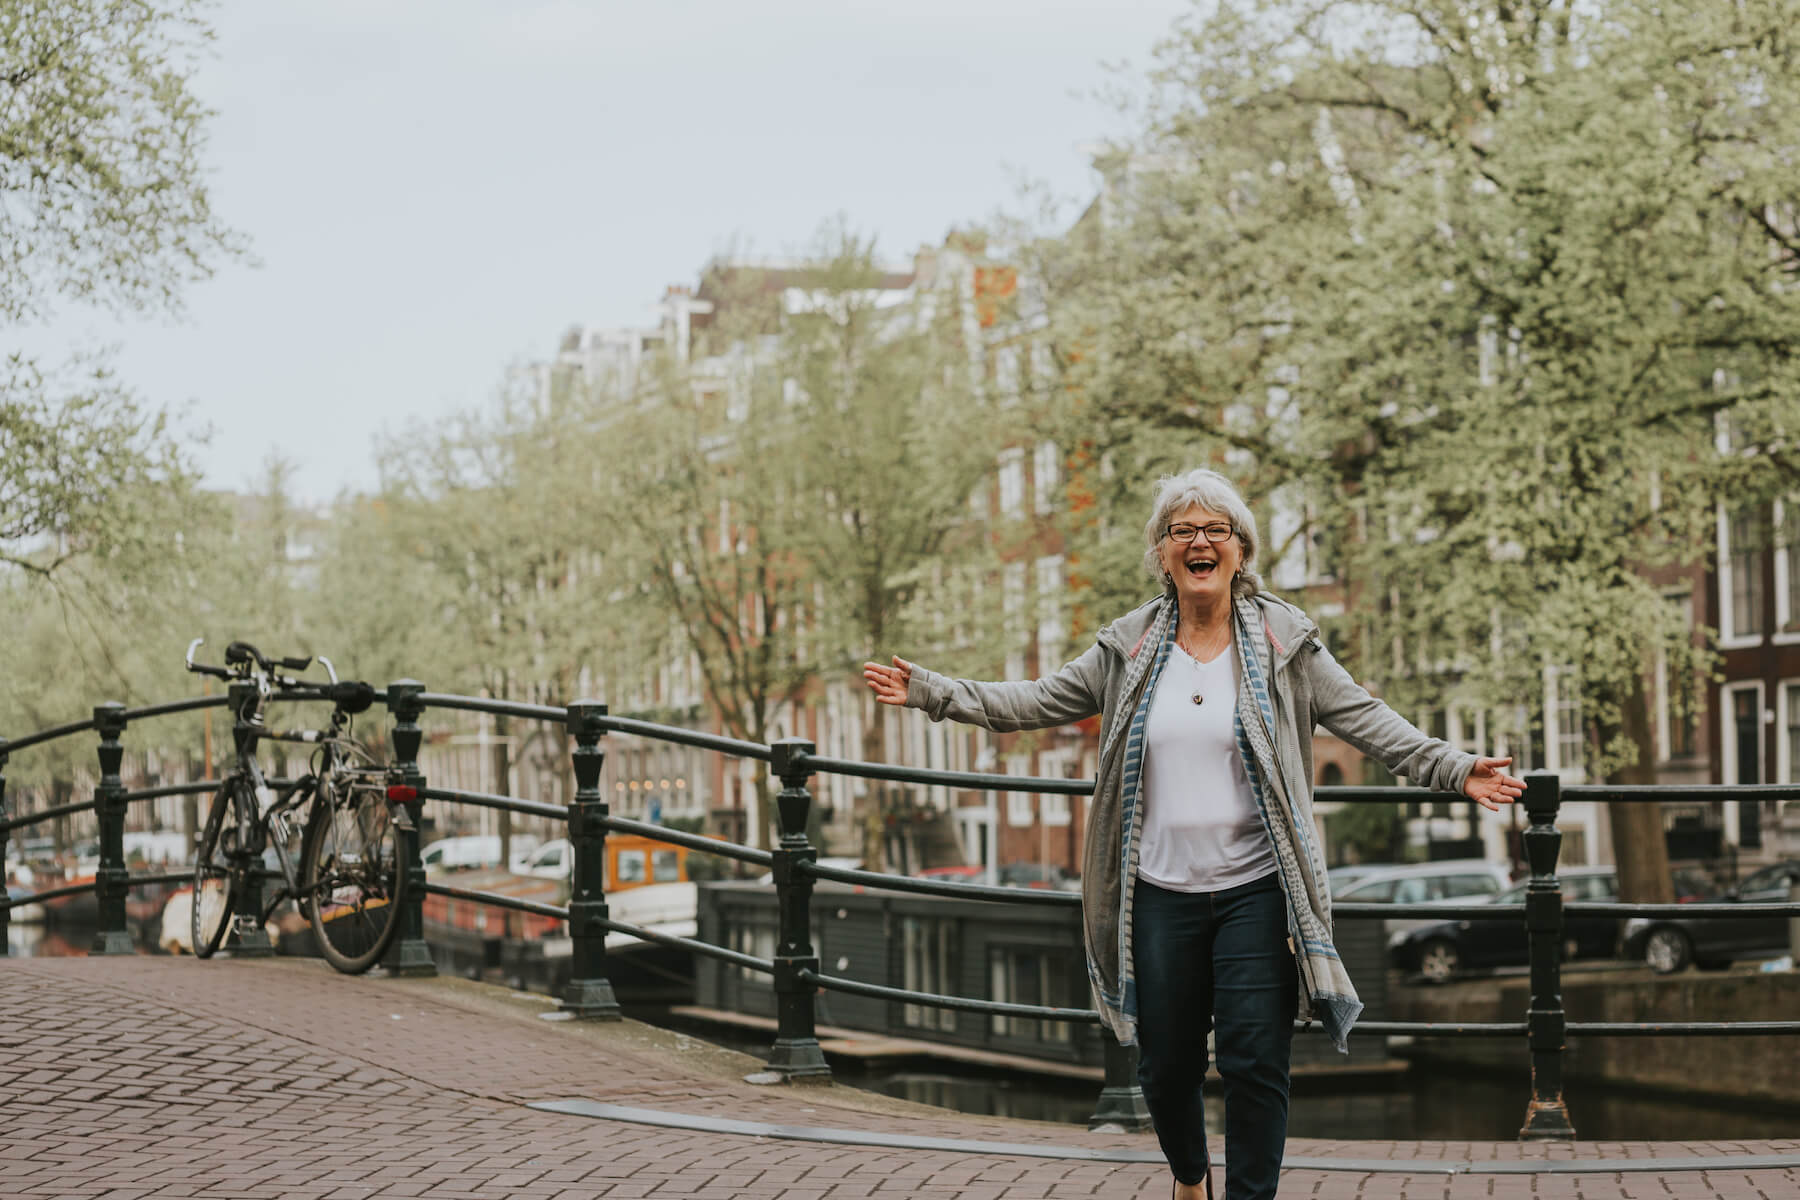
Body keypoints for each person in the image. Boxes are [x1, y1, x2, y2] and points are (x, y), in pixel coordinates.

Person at [863, 467, 1522, 1200]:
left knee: (1254, 1058)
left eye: (1216, 531)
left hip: (1256, 889)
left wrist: (1453, 767)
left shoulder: (1283, 641)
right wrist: (936, 693)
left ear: (1240, 550)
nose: (1200, 542)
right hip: (1160, 890)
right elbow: (1036, 701)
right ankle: (1188, 1175)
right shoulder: (1129, 647)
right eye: (1183, 532)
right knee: (1167, 1066)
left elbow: (1366, 718)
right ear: (1163, 553)